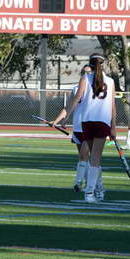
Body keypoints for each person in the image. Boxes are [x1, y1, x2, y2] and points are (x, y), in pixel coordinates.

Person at [62, 54, 116, 203]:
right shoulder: (110, 81)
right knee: (95, 158)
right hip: (102, 121)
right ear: (102, 65)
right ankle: (92, 192)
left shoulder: (85, 78)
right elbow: (112, 106)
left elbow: (76, 99)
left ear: (90, 65)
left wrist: (66, 118)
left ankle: (96, 190)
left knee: (91, 157)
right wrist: (113, 127)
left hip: (86, 121)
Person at [50, 64, 92, 192]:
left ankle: (85, 184)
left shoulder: (96, 89)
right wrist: (57, 121)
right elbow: (68, 107)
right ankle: (87, 182)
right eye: (84, 72)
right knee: (82, 157)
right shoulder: (75, 89)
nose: (86, 75)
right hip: (78, 127)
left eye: (89, 73)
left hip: (90, 126)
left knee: (86, 156)